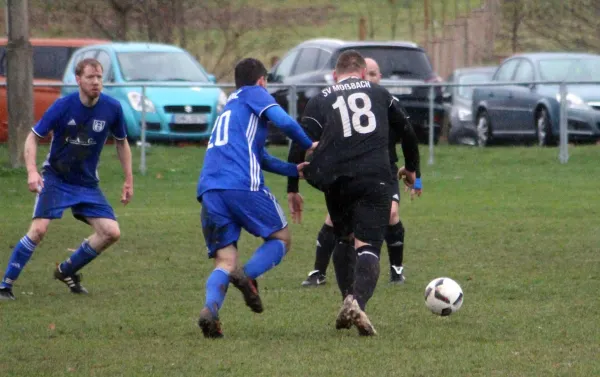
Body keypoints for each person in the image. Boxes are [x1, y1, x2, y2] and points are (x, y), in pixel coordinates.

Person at [287, 50, 420, 336]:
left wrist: (292, 187)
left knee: (344, 239)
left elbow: (298, 140)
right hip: (375, 177)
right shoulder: (380, 93)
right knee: (369, 247)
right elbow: (407, 131)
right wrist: (412, 169)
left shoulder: (321, 98)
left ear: (335, 76)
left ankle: (347, 298)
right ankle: (356, 302)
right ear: (362, 73)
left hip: (336, 179)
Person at [196, 57, 316, 338]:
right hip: (241, 185)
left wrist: (293, 170)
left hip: (210, 190)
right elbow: (283, 120)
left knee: (225, 261)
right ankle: (248, 275)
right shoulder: (255, 93)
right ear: (261, 80)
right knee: (281, 238)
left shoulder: (232, 106)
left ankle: (210, 311)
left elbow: (258, 156)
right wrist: (309, 144)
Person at [0, 58, 133, 301]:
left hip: (86, 183)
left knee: (111, 232)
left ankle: (66, 270)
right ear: (78, 80)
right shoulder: (63, 106)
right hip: (56, 178)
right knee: (38, 230)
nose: (96, 82)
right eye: (90, 77)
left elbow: (122, 143)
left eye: (99, 77)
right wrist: (31, 171)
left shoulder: (112, 108)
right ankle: (5, 285)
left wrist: (128, 179)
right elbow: (32, 136)